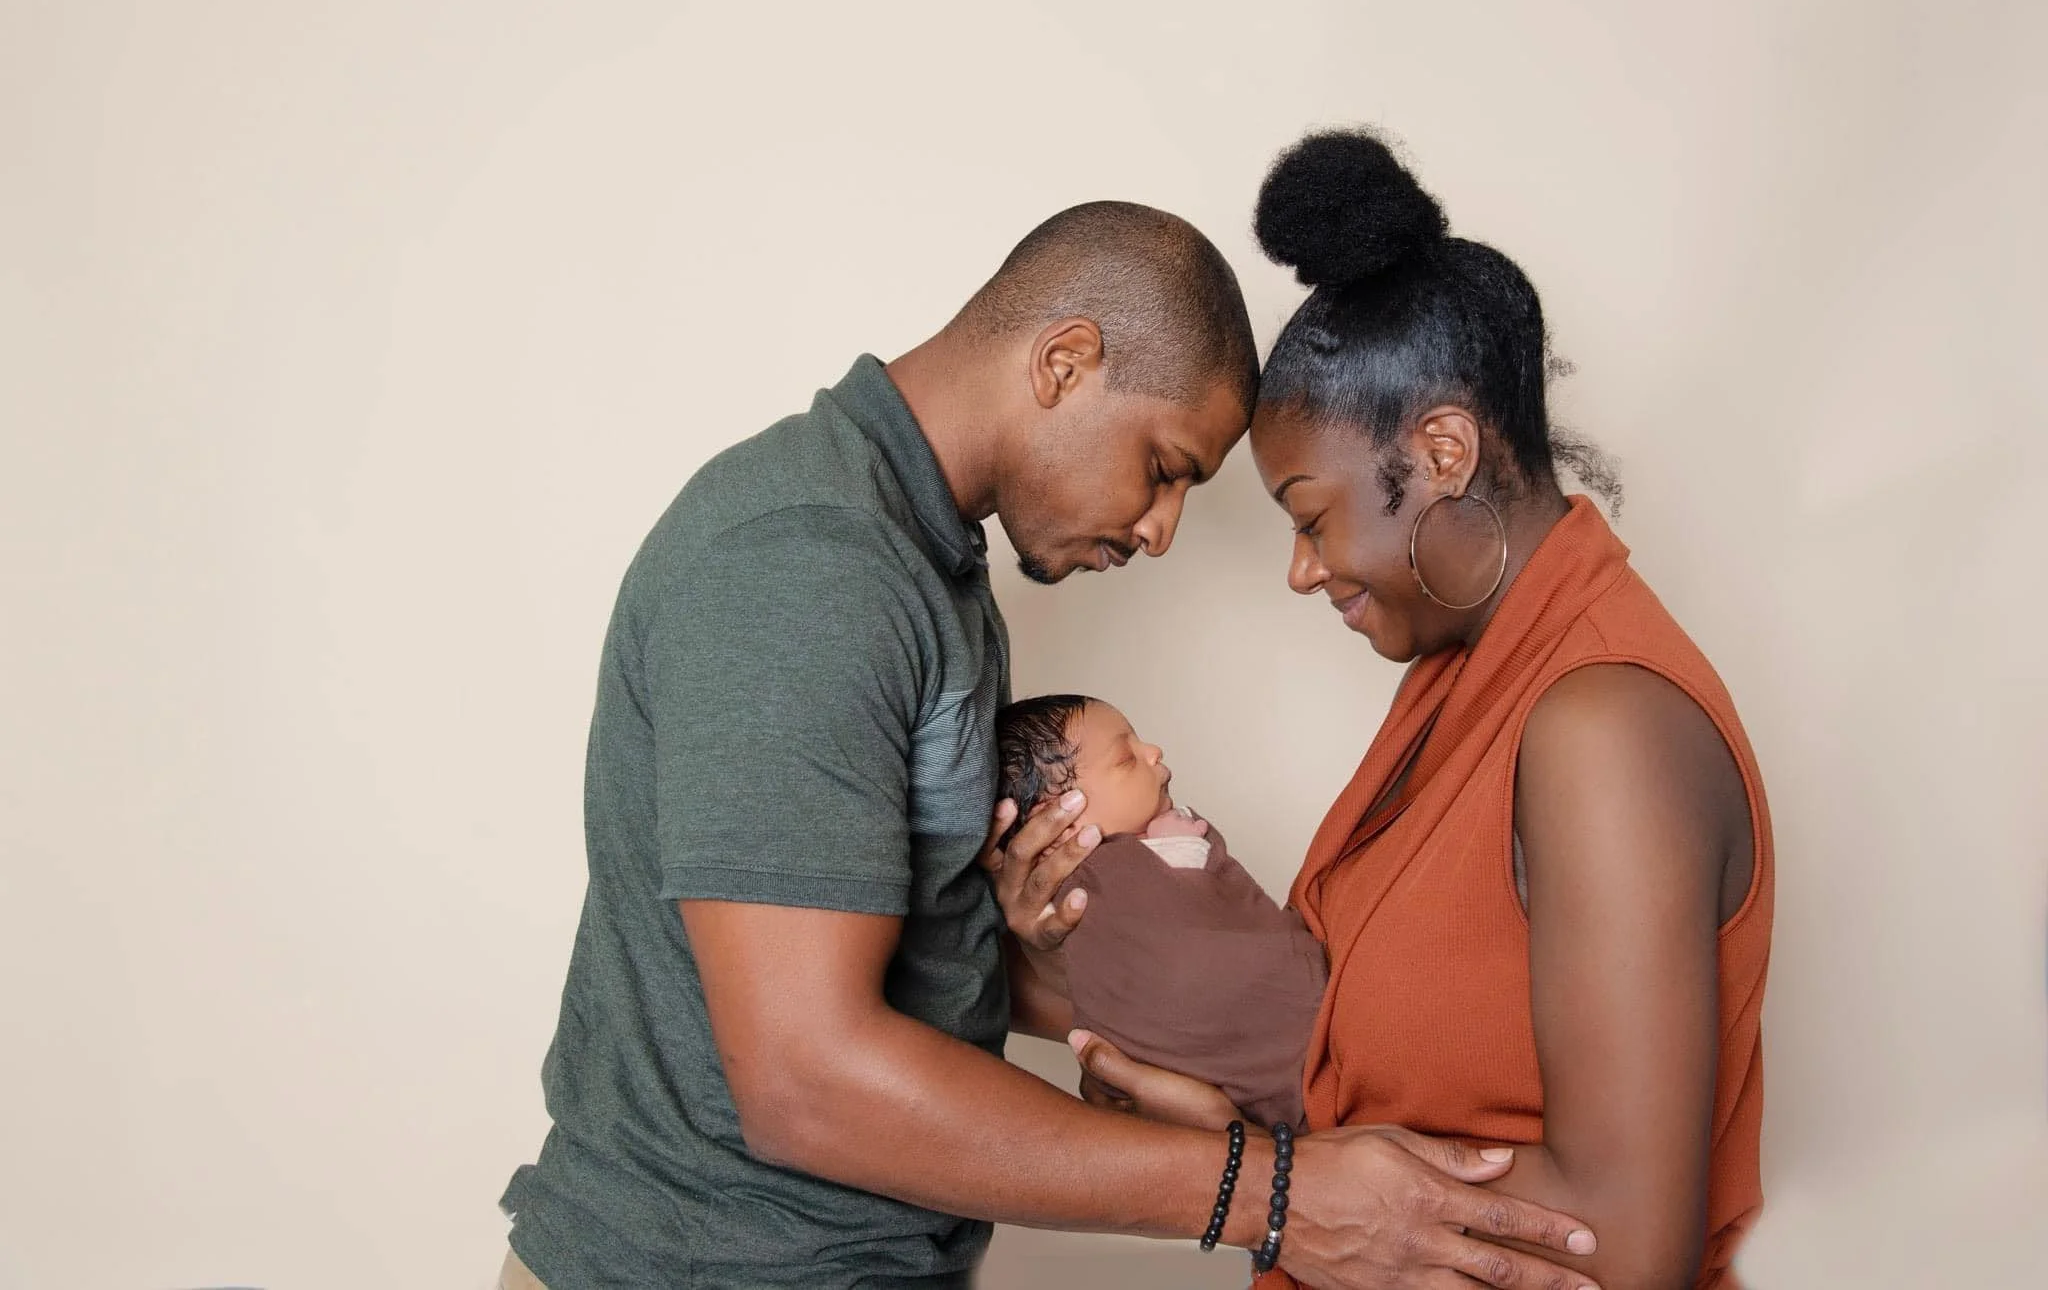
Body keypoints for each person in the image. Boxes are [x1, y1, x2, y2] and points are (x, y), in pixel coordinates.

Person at [499, 199, 1605, 1289]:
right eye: (1166, 468)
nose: (1160, 530)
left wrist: (1042, 968)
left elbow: (868, 970)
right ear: (1065, 364)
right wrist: (1268, 1195)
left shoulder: (923, 569)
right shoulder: (809, 569)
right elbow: (805, 1080)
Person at [1039, 131, 1776, 1289]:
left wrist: (1261, 1179)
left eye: (1308, 513)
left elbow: (1625, 1243)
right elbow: (1348, 1064)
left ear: (1439, 451)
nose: (1300, 568)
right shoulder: (1462, 676)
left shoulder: (1601, 727)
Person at [990, 694, 1326, 1129]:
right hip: (1268, 1076)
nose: (1154, 752)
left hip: (1276, 1080)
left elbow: (1217, 924)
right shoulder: (1079, 891)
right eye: (1126, 757)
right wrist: (1181, 845)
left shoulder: (1135, 861)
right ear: (1055, 821)